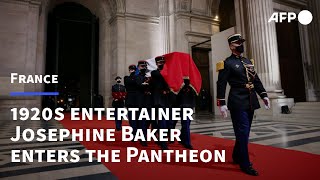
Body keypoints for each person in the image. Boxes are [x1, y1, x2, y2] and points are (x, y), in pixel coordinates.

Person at [216, 34, 270, 176]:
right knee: (243, 132)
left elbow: (255, 79)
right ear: (231, 45)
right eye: (238, 42)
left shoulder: (247, 61)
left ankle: (236, 156)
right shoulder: (227, 63)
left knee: (243, 132)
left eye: (241, 42)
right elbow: (221, 83)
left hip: (251, 100)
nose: (241, 44)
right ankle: (245, 164)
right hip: (237, 101)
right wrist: (221, 103)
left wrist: (263, 94)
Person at [151, 56, 171, 150]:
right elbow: (161, 77)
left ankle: (159, 139)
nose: (161, 63)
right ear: (156, 63)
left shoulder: (167, 72)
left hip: (166, 101)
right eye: (159, 62)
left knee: (164, 122)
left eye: (163, 62)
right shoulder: (154, 73)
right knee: (160, 122)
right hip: (157, 101)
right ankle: (163, 143)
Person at [135, 60, 151, 146]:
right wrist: (145, 83)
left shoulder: (148, 76)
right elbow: (139, 84)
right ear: (138, 67)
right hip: (141, 103)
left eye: (145, 66)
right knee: (142, 121)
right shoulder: (137, 77)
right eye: (142, 66)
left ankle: (143, 134)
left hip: (149, 102)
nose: (143, 68)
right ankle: (143, 139)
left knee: (148, 121)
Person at [176, 79, 196, 149]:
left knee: (186, 124)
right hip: (183, 106)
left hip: (190, 106)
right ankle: (187, 143)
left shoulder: (192, 85)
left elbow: (195, 94)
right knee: (186, 124)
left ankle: (181, 137)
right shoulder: (180, 84)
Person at [124, 65, 139, 138]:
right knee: (131, 117)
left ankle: (137, 132)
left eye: (133, 69)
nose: (132, 70)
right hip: (130, 100)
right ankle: (134, 132)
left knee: (138, 117)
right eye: (131, 69)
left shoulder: (137, 77)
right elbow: (130, 83)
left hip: (137, 100)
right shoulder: (127, 78)